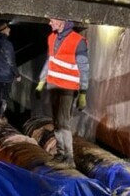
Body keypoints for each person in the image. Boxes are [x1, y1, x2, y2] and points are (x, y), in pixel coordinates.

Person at [35, 18, 89, 162]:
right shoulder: (52, 38)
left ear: (61, 22)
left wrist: (83, 92)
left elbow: (84, 68)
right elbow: (50, 61)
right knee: (57, 123)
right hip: (53, 86)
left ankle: (69, 156)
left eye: (52, 20)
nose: (49, 23)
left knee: (63, 122)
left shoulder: (78, 41)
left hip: (67, 88)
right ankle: (60, 152)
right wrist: (41, 81)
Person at [0, 20, 20, 118]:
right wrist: (17, 74)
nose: (9, 29)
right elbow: (11, 61)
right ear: (2, 30)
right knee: (4, 96)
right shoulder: (7, 44)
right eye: (7, 28)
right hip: (6, 76)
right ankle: (0, 116)